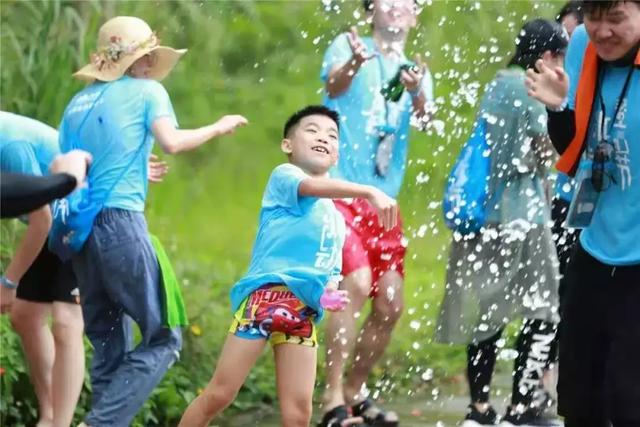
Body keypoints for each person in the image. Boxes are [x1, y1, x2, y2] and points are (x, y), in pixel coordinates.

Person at [58, 16, 247, 427]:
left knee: (109, 348)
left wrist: (138, 165)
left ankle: (103, 421)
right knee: (163, 337)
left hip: (82, 234)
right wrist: (218, 127)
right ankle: (99, 424)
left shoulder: (77, 105)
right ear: (138, 61)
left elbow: (75, 170)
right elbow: (173, 143)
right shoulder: (148, 91)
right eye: (149, 59)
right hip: (122, 225)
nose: (151, 68)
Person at [178, 105, 398, 427]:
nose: (323, 137)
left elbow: (331, 266)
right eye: (312, 130)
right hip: (264, 302)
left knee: (298, 414)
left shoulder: (336, 218)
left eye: (332, 135)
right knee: (221, 393)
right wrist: (367, 190)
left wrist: (329, 293)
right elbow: (312, 187)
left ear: (336, 154)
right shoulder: (285, 178)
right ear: (288, 145)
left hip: (303, 313)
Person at [435, 19, 568, 427]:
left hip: (487, 215)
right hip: (523, 216)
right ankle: (521, 406)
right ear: (547, 57)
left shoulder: (498, 82)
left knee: (488, 312)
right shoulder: (531, 88)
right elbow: (546, 151)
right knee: (541, 311)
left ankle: (478, 409)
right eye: (560, 58)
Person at [525, 1, 640, 426]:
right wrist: (558, 110)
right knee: (578, 396)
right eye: (595, 17)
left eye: (617, 19)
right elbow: (576, 155)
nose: (603, 31)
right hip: (594, 245)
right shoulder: (581, 47)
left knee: (629, 398)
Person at [319, 0, 434, 424]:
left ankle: (354, 389)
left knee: (389, 303)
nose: (399, 7)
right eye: (388, 0)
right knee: (355, 283)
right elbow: (332, 88)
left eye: (407, 1)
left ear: (415, 15)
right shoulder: (348, 46)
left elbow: (425, 120)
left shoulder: (415, 70)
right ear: (371, 12)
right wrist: (353, 62)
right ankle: (331, 398)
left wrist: (416, 91)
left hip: (384, 202)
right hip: (342, 192)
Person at [0, 112, 87, 427]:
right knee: (25, 315)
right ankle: (49, 416)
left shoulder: (11, 144)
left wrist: (9, 280)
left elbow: (43, 218)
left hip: (80, 217)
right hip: (51, 223)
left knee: (65, 322)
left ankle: (59, 422)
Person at [0, 149, 92, 219]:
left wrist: (67, 180)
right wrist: (65, 180)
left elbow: (42, 217)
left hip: (87, 203)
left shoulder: (12, 151)